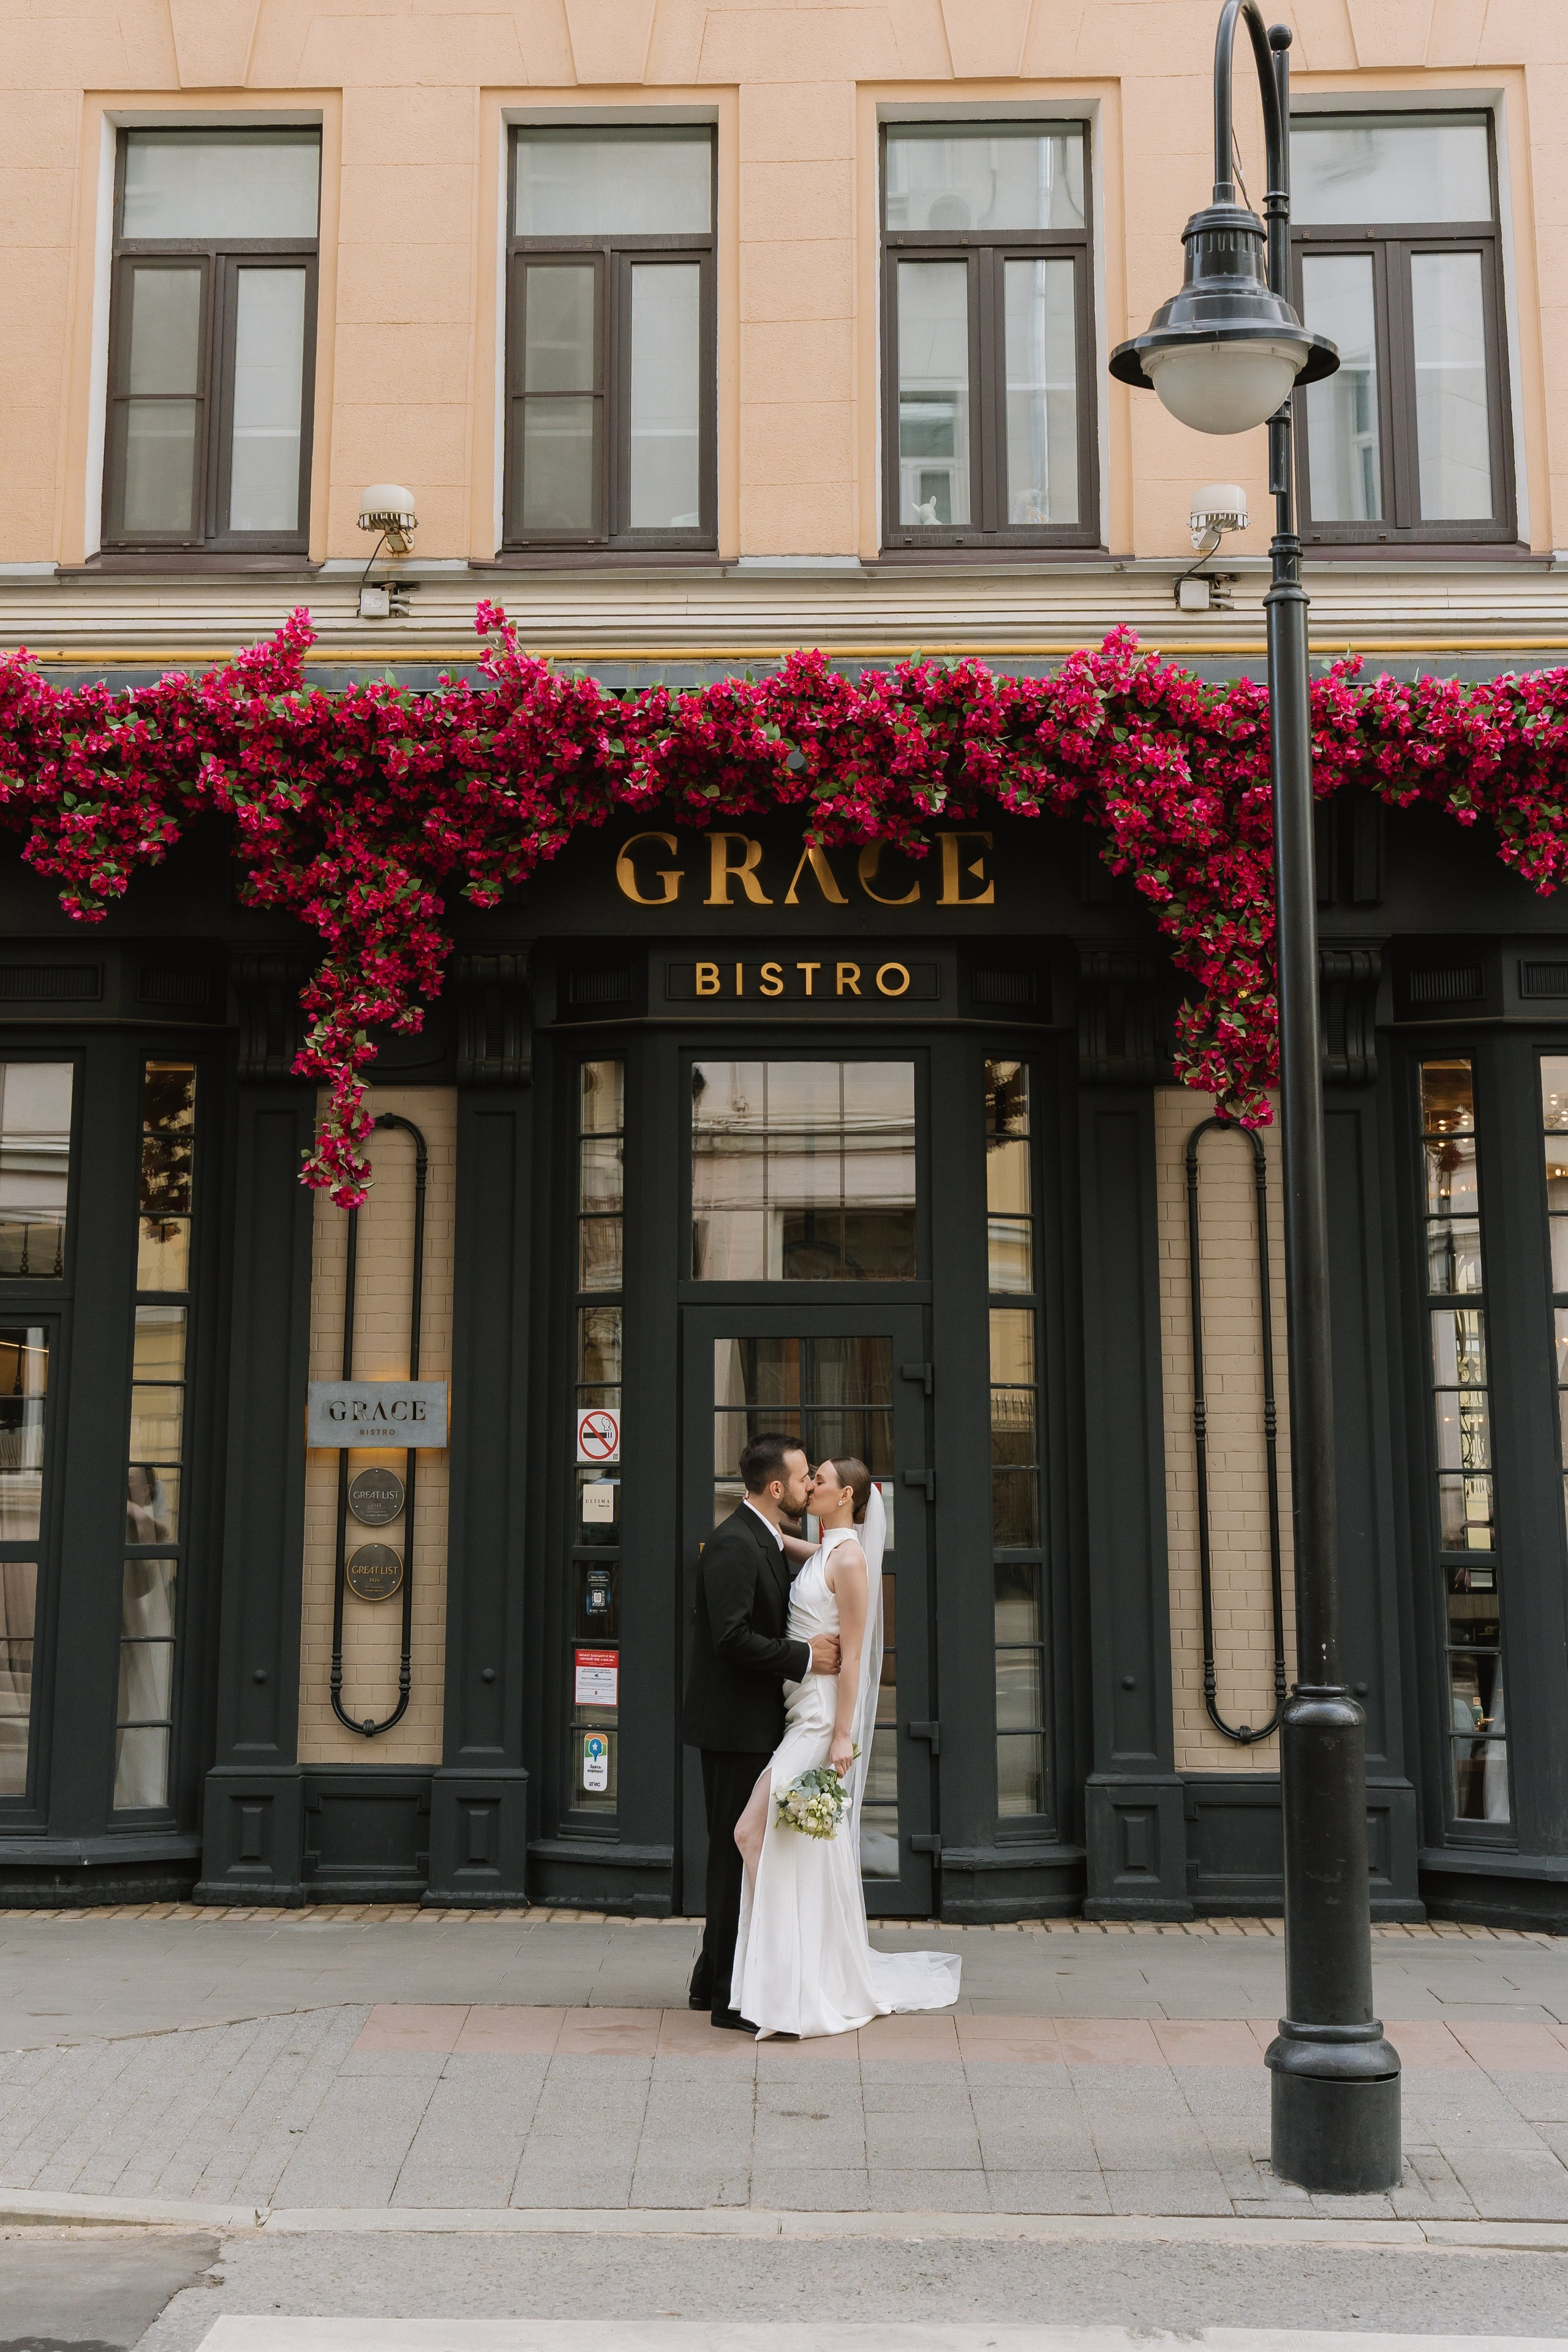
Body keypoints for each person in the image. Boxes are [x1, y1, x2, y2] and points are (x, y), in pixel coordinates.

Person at [731, 1456, 960, 2038]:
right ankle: (797, 1968)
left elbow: (856, 1657)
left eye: (822, 1481)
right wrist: (762, 1531)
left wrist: (842, 1737)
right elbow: (808, 1554)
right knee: (793, 1844)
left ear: (847, 1497)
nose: (811, 1486)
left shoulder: (852, 1560)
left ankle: (799, 1976)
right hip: (797, 1712)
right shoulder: (829, 1548)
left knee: (751, 1833)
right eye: (811, 1478)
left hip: (818, 1719)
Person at [682, 1431, 842, 2029]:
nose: (808, 1486)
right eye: (802, 1479)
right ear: (776, 1488)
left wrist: (835, 1547)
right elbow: (728, 1639)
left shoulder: (762, 1535)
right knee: (733, 1856)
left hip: (757, 1724)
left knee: (741, 1849)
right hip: (732, 1727)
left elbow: (786, 1552)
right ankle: (727, 1997)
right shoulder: (731, 1546)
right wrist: (804, 1658)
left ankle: (708, 1979)